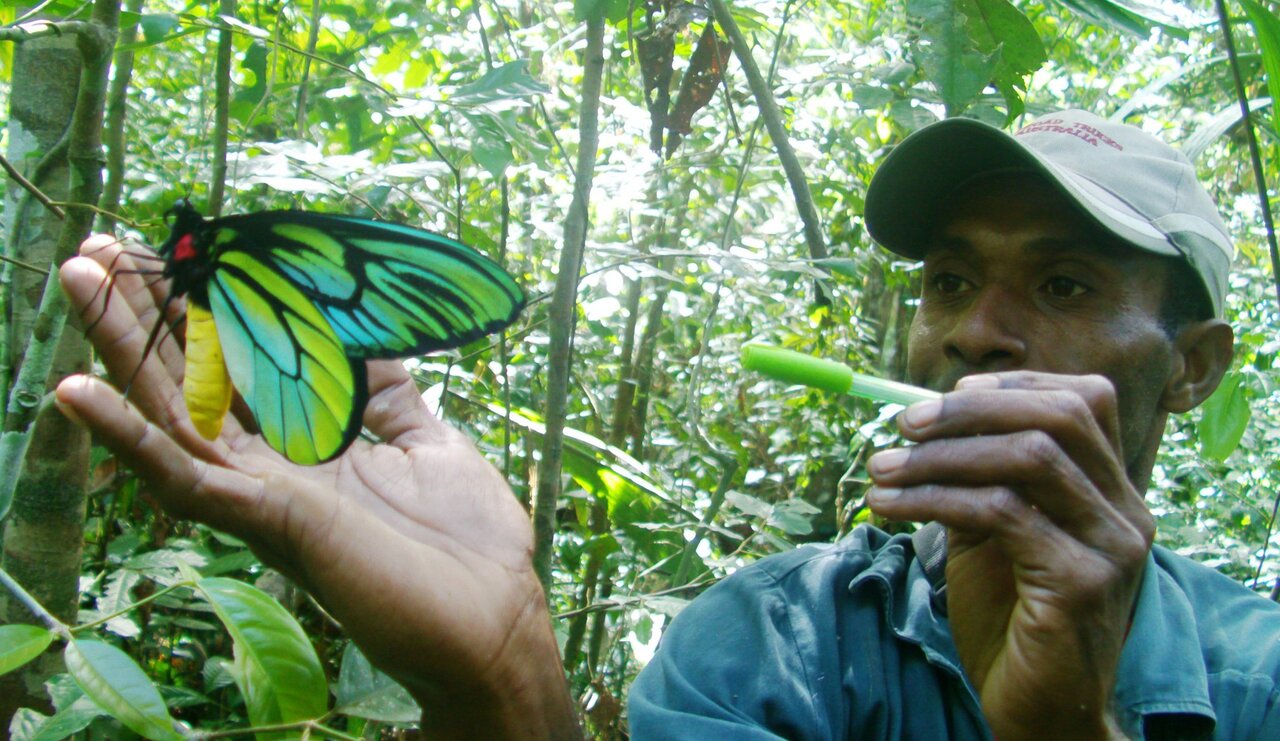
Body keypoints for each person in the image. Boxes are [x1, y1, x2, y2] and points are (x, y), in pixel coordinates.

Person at [52, 108, 1278, 739]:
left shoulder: (1262, 676)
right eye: (948, 282)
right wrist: (500, 678)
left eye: (1061, 287)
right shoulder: (765, 643)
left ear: (1191, 370)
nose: (972, 333)